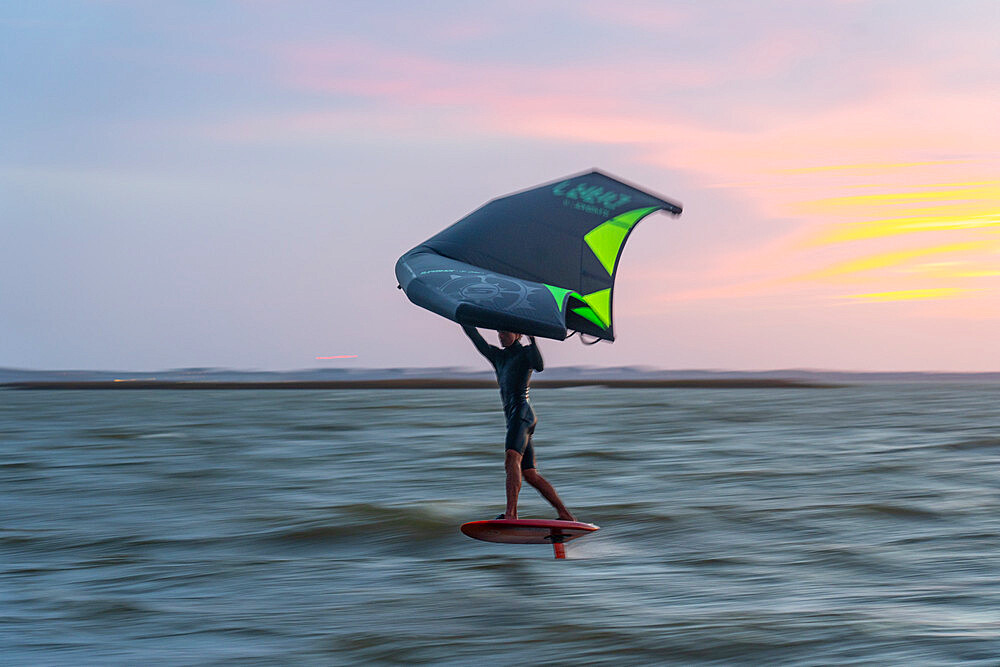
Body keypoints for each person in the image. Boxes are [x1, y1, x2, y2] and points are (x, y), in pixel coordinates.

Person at [462, 325, 576, 522]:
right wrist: (461, 317)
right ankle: (565, 515)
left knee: (511, 459)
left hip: (522, 414)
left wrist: (533, 340)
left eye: (505, 332)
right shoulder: (497, 356)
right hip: (516, 418)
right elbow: (475, 337)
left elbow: (539, 366)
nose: (501, 336)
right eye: (499, 332)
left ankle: (511, 514)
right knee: (530, 474)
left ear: (518, 334)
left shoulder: (525, 354)